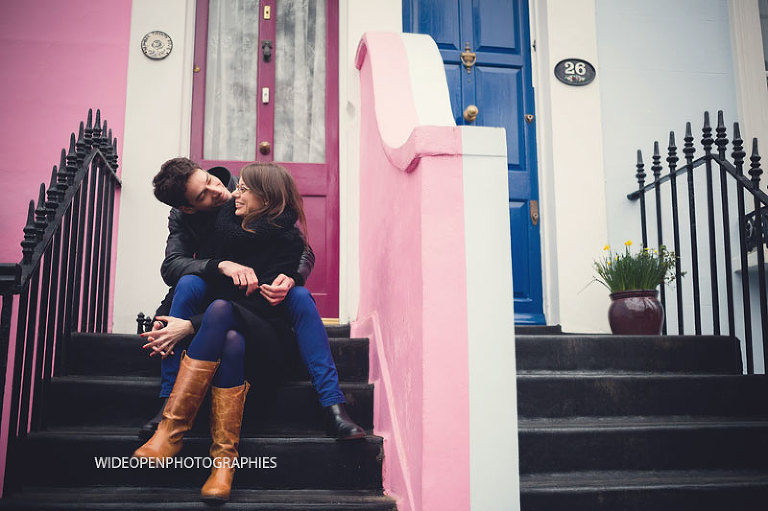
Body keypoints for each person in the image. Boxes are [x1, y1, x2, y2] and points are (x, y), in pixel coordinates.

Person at [135, 162, 335, 502]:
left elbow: (298, 254)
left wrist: (189, 326)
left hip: (263, 328)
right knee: (223, 330)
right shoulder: (213, 224)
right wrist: (166, 314)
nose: (221, 191)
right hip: (226, 324)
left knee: (234, 309)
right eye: (203, 194)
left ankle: (173, 427)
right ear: (188, 207)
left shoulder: (256, 209)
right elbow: (175, 267)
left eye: (212, 181)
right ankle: (219, 461)